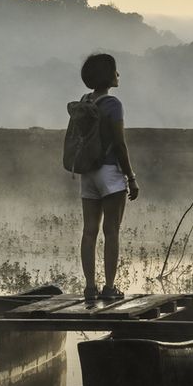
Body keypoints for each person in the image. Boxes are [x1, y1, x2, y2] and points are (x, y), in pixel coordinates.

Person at [74, 52, 138, 302]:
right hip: (110, 172)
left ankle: (90, 287)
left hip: (87, 174)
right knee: (112, 231)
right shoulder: (113, 105)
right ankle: (110, 287)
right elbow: (120, 145)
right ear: (107, 76)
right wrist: (131, 177)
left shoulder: (84, 101)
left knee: (89, 231)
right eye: (115, 71)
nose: (118, 75)